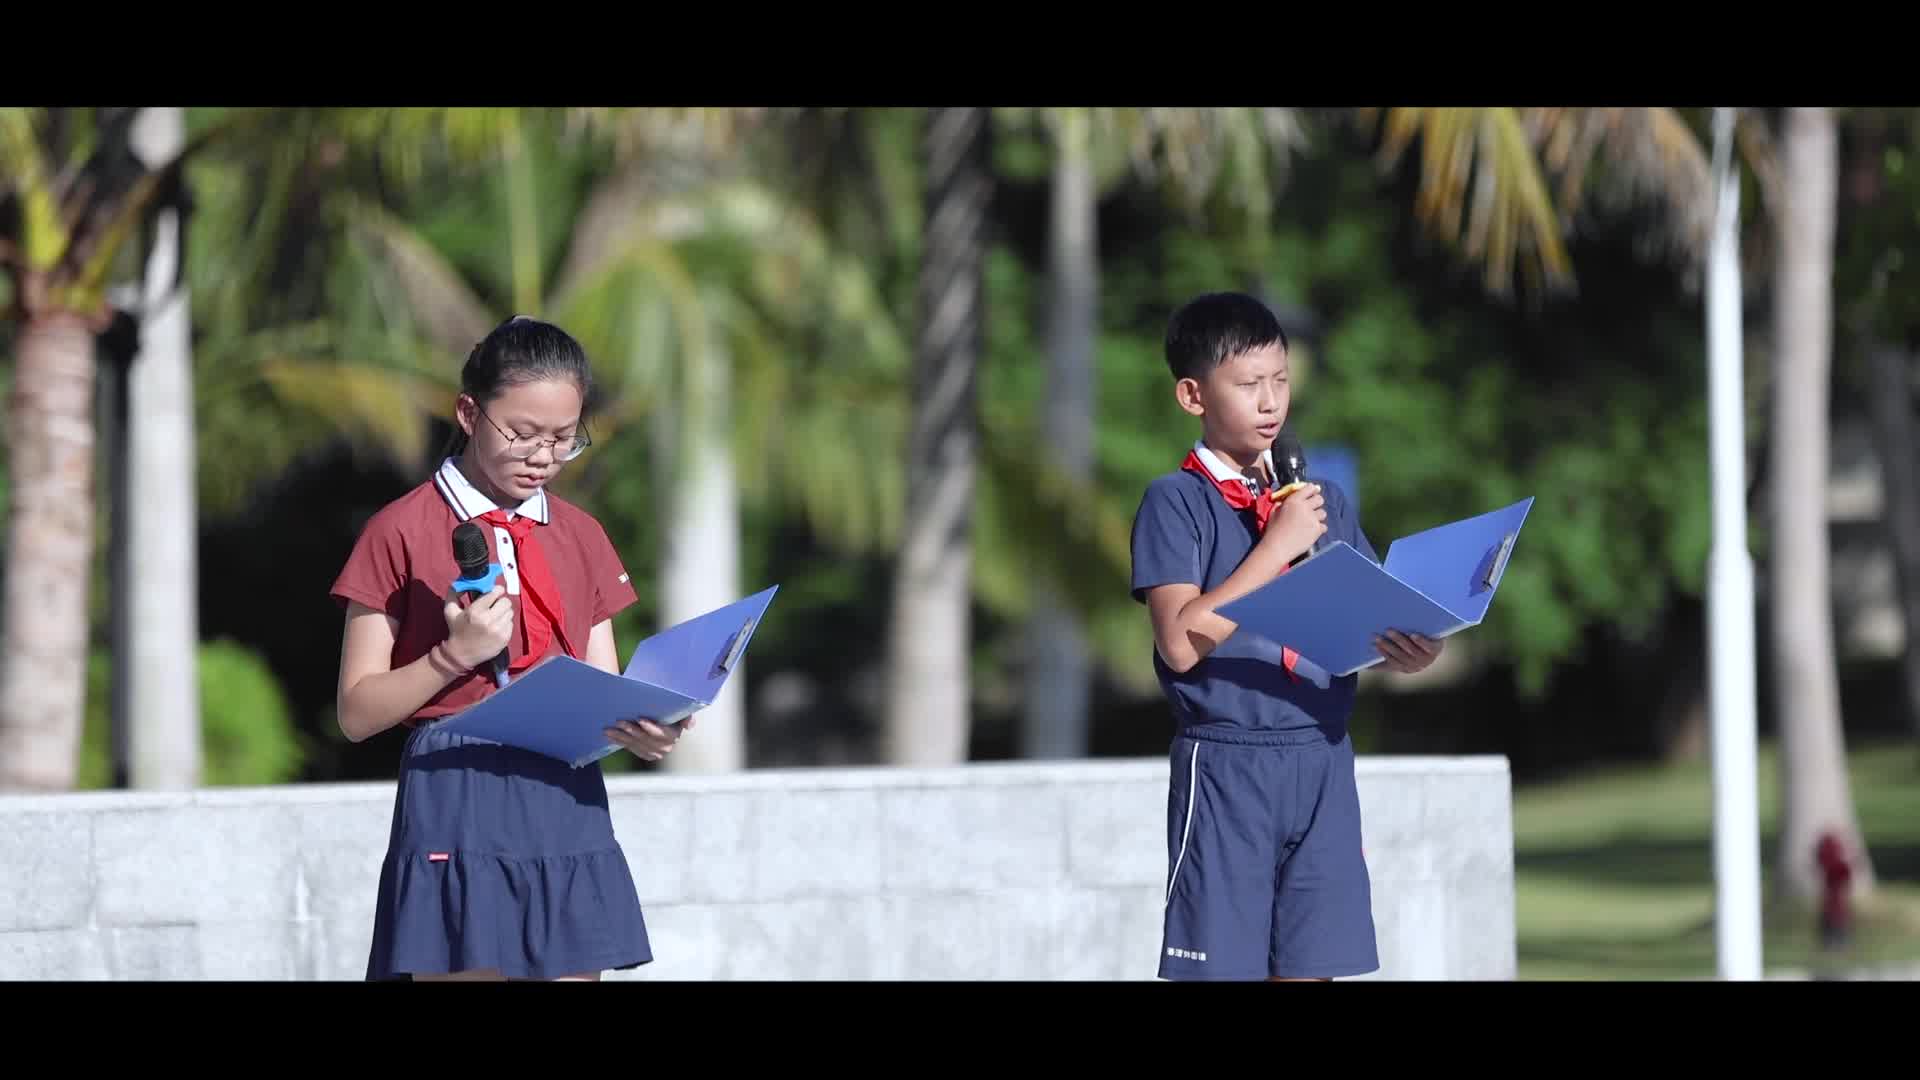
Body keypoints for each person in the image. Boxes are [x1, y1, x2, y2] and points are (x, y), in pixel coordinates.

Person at [331, 315, 685, 982]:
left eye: (562, 439)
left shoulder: (582, 534)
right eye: (521, 433)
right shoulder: (397, 531)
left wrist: (641, 729)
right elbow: (356, 711)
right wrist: (450, 657)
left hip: (561, 789)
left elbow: (598, 686)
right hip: (458, 790)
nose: (543, 456)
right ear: (469, 412)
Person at [1128, 292, 1442, 982]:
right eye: (1248, 385)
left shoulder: (1318, 498)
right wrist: (1275, 549)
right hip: (1229, 765)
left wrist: (1412, 645)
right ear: (1193, 395)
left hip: (1322, 757)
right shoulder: (1175, 503)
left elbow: (1355, 623)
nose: (1271, 402)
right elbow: (1180, 644)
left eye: (1281, 380)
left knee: (1311, 966)